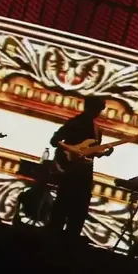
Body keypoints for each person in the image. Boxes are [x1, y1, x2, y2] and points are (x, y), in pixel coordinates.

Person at [48, 96, 112, 238]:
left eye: (99, 110)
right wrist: (72, 149)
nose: (97, 113)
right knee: (62, 207)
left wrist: (103, 153)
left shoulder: (97, 129)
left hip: (85, 173)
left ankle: (70, 239)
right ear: (88, 108)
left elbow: (91, 153)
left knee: (80, 210)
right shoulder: (74, 123)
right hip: (70, 172)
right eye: (96, 109)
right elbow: (54, 141)